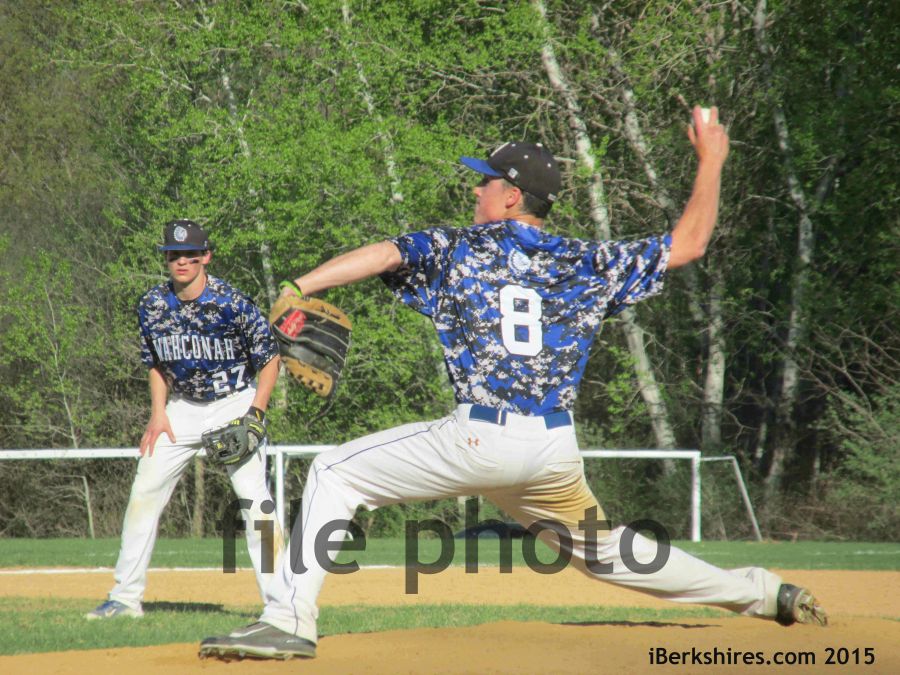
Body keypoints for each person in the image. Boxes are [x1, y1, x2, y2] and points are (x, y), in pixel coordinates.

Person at [199, 107, 826, 660]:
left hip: (480, 438)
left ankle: (288, 620)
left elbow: (387, 253)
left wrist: (302, 285)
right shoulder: (586, 261)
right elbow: (688, 244)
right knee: (607, 553)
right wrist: (712, 160)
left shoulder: (459, 248)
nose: (476, 189)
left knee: (335, 472)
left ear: (510, 197)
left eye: (486, 181)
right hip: (552, 451)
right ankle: (762, 592)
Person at [86, 219, 284, 619]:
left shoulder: (232, 302)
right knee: (144, 491)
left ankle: (282, 604)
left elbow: (270, 359)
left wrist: (256, 414)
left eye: (190, 254)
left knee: (254, 502)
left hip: (233, 401)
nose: (181, 261)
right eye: (173, 254)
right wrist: (158, 413)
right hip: (181, 407)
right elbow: (155, 364)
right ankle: (125, 598)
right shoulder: (152, 304)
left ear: (205, 256)